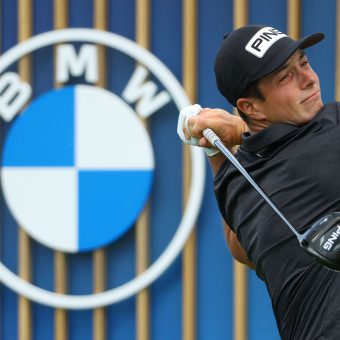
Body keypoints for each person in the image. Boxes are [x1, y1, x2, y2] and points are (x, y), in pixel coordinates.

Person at [178, 24, 340, 339]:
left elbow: (243, 249)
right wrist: (238, 132)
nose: (309, 79)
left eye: (303, 63)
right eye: (285, 77)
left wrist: (216, 148)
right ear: (250, 107)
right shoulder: (331, 133)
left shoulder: (235, 184)